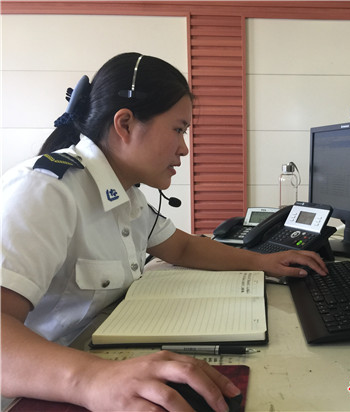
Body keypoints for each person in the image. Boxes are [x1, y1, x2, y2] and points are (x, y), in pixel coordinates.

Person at [1, 52, 327, 412]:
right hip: (42, 392)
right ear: (125, 124)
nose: (184, 148)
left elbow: (183, 248)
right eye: (178, 129)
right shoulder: (46, 191)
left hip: (100, 367)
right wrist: (93, 378)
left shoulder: (128, 197)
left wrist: (262, 261)